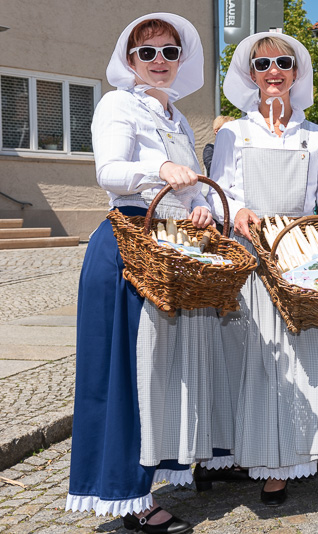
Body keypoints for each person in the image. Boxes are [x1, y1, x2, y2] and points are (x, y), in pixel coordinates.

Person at [66, 13, 233, 533]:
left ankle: (152, 476)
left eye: (170, 52)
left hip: (169, 246)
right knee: (126, 374)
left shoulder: (176, 117)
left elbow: (190, 187)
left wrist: (201, 206)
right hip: (128, 248)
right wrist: (158, 169)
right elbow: (109, 172)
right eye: (148, 52)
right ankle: (127, 497)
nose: (159, 61)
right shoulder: (118, 104)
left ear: (182, 59)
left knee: (160, 373)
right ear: (130, 59)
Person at [209, 31, 318, 510]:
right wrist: (237, 211)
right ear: (250, 74)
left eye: (283, 62)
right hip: (254, 253)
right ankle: (272, 465)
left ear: (297, 72)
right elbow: (221, 190)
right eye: (263, 64)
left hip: (302, 253)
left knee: (312, 360)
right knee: (264, 357)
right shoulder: (235, 132)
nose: (273, 71)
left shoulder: (315, 135)